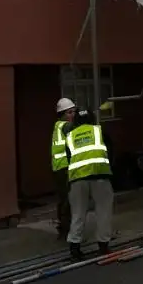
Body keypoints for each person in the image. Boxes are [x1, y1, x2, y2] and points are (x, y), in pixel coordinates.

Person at [64, 109, 113, 260]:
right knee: (103, 211)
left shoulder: (70, 136)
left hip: (77, 178)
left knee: (78, 213)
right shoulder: (99, 131)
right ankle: (103, 246)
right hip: (100, 175)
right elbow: (110, 151)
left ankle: (75, 249)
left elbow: (69, 157)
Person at [52, 98, 77, 240]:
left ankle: (63, 228)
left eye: (74, 112)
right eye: (69, 112)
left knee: (63, 200)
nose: (72, 115)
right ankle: (67, 231)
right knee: (68, 201)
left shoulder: (58, 126)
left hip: (59, 168)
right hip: (65, 168)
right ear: (62, 114)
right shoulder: (65, 126)